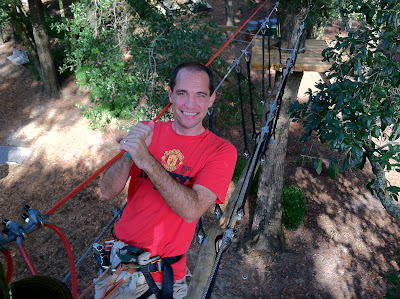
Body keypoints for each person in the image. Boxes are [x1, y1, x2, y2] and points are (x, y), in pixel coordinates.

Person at [97, 61, 237, 298]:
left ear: (212, 99)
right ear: (170, 94)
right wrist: (129, 155)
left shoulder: (220, 151)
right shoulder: (148, 131)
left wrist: (147, 160)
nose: (190, 104)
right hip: (118, 264)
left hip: (161, 278)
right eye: (182, 93)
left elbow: (192, 210)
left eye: (200, 95)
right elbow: (107, 190)